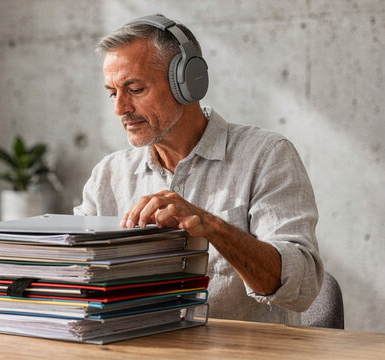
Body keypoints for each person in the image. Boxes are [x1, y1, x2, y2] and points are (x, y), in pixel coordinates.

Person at [73, 14, 324, 325]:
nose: (119, 109)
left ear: (187, 83)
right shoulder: (108, 176)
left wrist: (212, 226)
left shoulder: (266, 155)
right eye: (113, 93)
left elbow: (302, 288)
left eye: (134, 89)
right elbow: (74, 277)